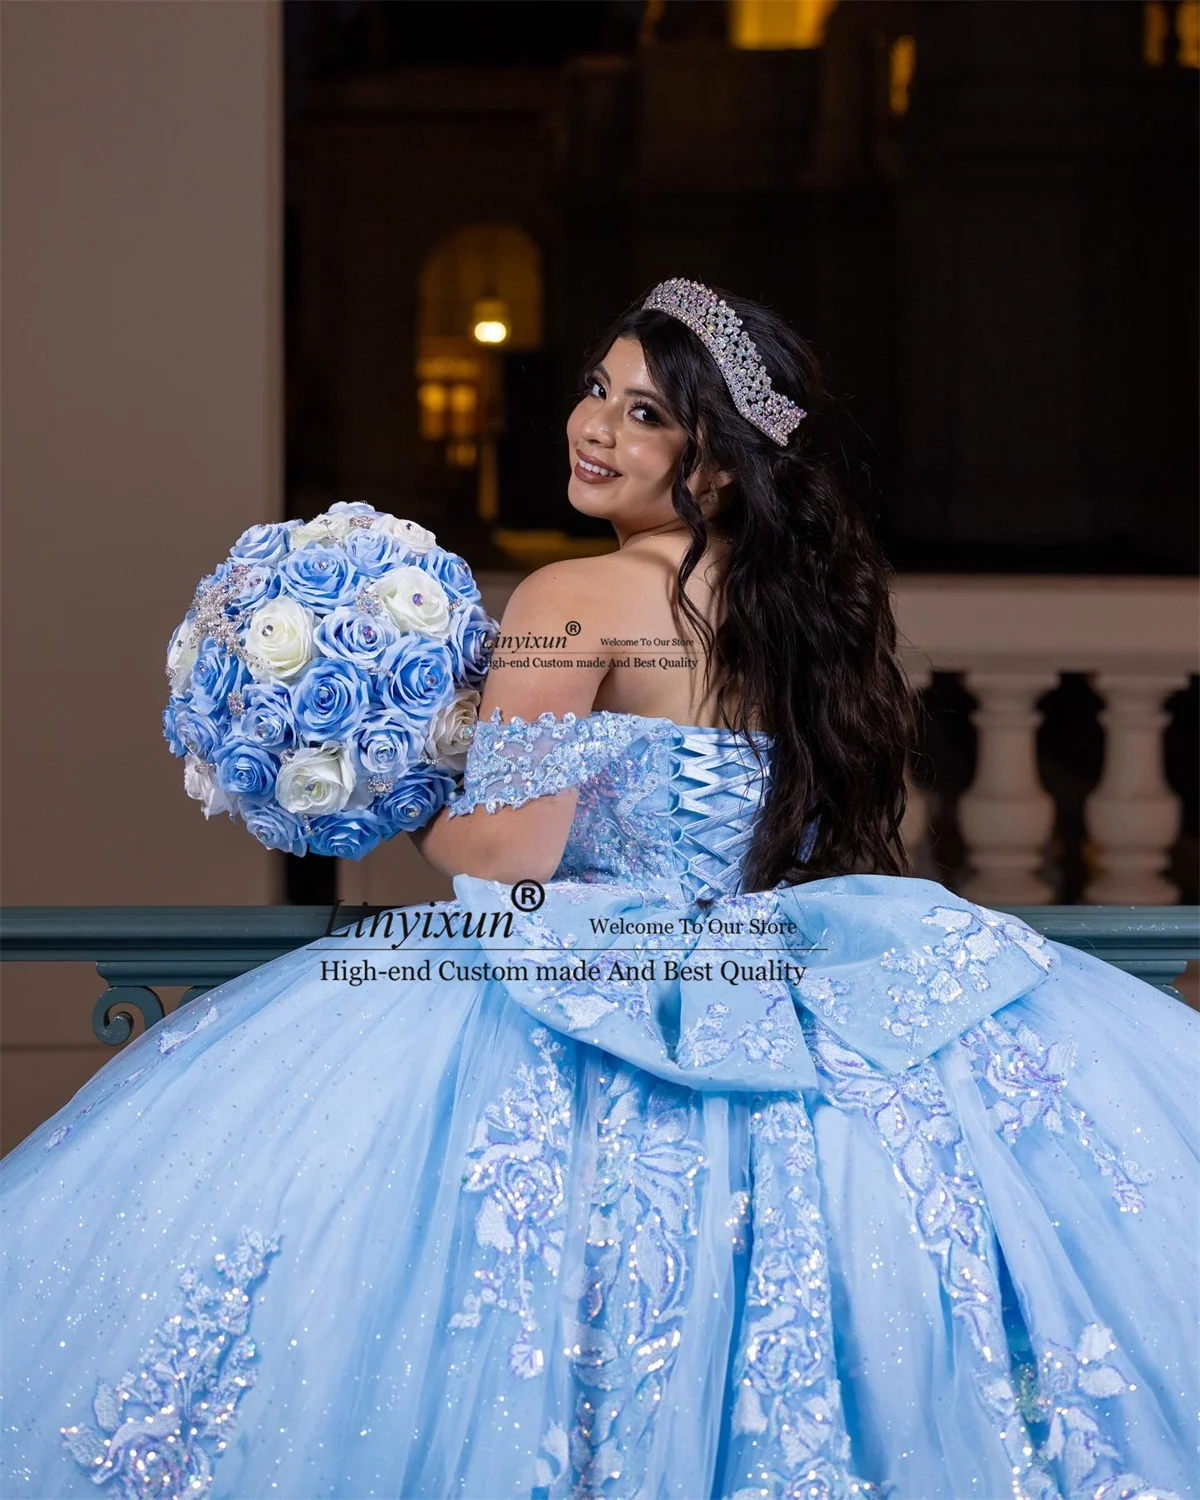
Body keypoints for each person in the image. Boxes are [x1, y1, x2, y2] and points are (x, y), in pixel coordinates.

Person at [1, 278, 1196, 1500]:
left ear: (718, 466)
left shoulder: (571, 598)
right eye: (595, 392)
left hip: (585, 976)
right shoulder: (795, 615)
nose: (595, 428)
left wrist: (408, 793)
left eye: (644, 416)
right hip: (771, 966)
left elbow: (515, 852)